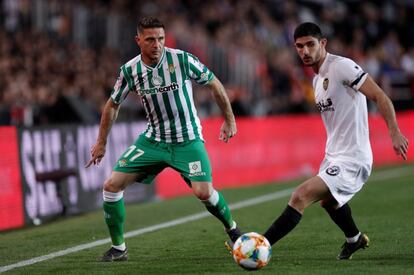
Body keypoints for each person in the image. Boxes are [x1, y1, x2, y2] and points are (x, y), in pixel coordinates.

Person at [85, 17, 241, 262]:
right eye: (150, 40)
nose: (156, 44)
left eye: (160, 38)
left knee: (203, 192)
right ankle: (119, 248)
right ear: (138, 41)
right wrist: (101, 142)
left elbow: (214, 83)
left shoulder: (181, 59)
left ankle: (232, 228)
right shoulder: (130, 70)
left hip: (187, 139)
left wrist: (230, 120)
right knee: (111, 186)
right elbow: (112, 104)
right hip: (153, 141)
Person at [262, 22, 409, 260]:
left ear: (323, 43)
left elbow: (380, 95)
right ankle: (355, 239)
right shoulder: (316, 81)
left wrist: (394, 131)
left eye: (310, 44)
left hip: (354, 157)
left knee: (300, 196)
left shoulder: (342, 66)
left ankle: (260, 245)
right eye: (300, 46)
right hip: (333, 154)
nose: (305, 51)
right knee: (329, 202)